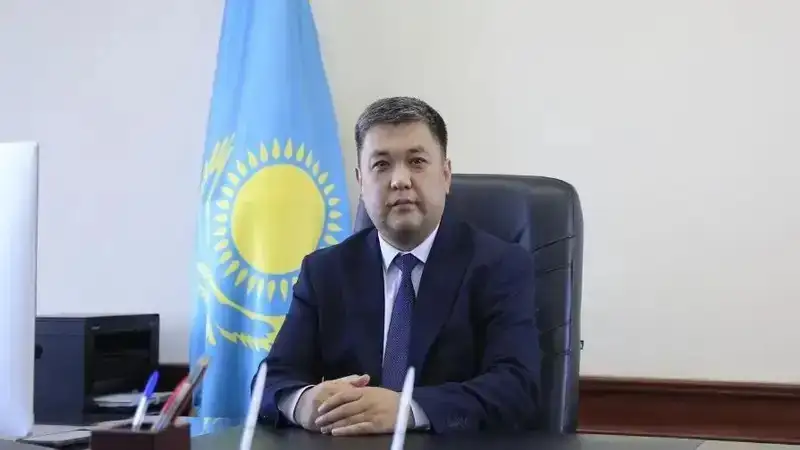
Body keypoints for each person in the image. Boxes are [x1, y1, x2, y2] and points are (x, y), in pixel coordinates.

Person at [258, 96, 541, 435]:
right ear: (361, 182)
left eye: (417, 162)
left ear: (446, 175)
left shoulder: (500, 266)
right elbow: (270, 382)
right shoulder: (324, 272)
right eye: (381, 165)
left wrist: (409, 408)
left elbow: (516, 387)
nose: (400, 180)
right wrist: (302, 402)